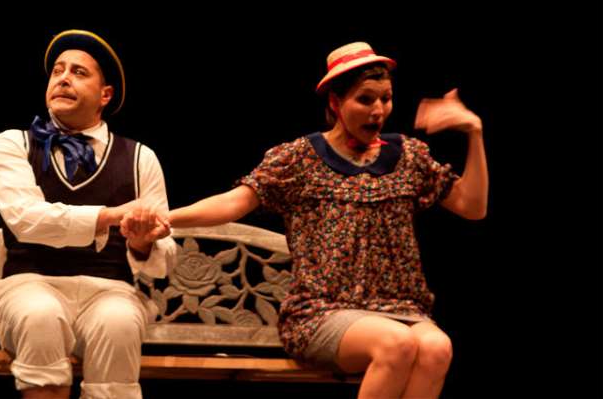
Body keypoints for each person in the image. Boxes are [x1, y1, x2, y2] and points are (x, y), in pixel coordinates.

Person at [168, 41, 488, 399]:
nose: (378, 110)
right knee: (396, 344)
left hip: (400, 308)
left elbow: (473, 207)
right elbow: (233, 203)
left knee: (437, 348)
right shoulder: (301, 159)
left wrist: (474, 133)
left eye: (386, 99)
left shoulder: (408, 156)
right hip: (321, 312)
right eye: (365, 100)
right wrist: (167, 218)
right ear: (336, 103)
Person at [0, 29, 175, 399]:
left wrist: (142, 245)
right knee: (40, 314)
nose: (63, 79)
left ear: (105, 95)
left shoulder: (140, 158)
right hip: (30, 283)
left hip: (109, 289)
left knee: (119, 322)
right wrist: (110, 216)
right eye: (57, 71)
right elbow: (27, 219)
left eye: (78, 72)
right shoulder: (14, 144)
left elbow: (165, 257)